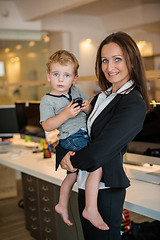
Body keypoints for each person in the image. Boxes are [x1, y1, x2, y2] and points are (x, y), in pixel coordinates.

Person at [55, 32, 151, 240]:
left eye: (117, 59)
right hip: (84, 182)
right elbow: (75, 129)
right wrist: (61, 152)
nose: (109, 67)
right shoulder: (101, 97)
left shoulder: (133, 102)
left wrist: (70, 160)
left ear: (132, 62)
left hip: (105, 189)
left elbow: (100, 151)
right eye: (105, 61)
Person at [40, 50, 109, 230]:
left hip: (82, 135)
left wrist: (88, 107)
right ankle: (91, 208)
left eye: (66, 75)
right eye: (56, 74)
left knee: (72, 174)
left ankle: (62, 204)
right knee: (97, 165)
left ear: (74, 78)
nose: (61, 80)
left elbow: (90, 110)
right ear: (49, 76)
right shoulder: (47, 100)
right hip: (72, 138)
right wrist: (65, 114)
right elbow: (47, 126)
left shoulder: (76, 90)